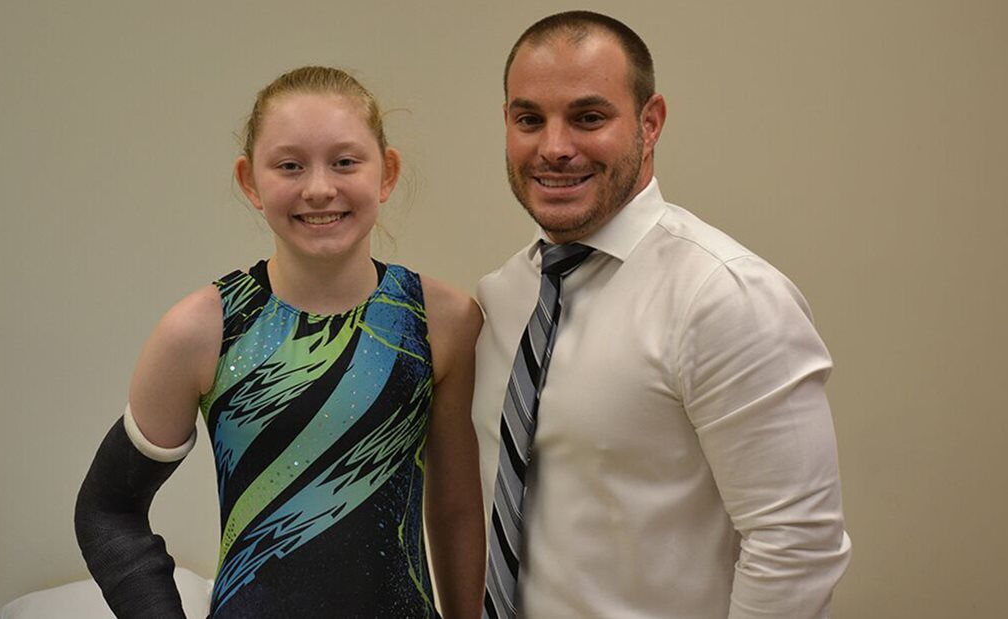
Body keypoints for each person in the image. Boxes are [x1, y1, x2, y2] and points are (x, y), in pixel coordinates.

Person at [473, 11, 851, 618]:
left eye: (588, 117)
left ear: (650, 124)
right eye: (529, 119)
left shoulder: (723, 297)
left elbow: (798, 546)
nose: (555, 147)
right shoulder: (502, 297)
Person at [75, 66, 485, 618]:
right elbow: (107, 509)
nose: (319, 188)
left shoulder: (442, 321)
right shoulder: (203, 330)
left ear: (386, 173)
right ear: (251, 182)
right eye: (290, 165)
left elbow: (458, 508)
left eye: (345, 162)